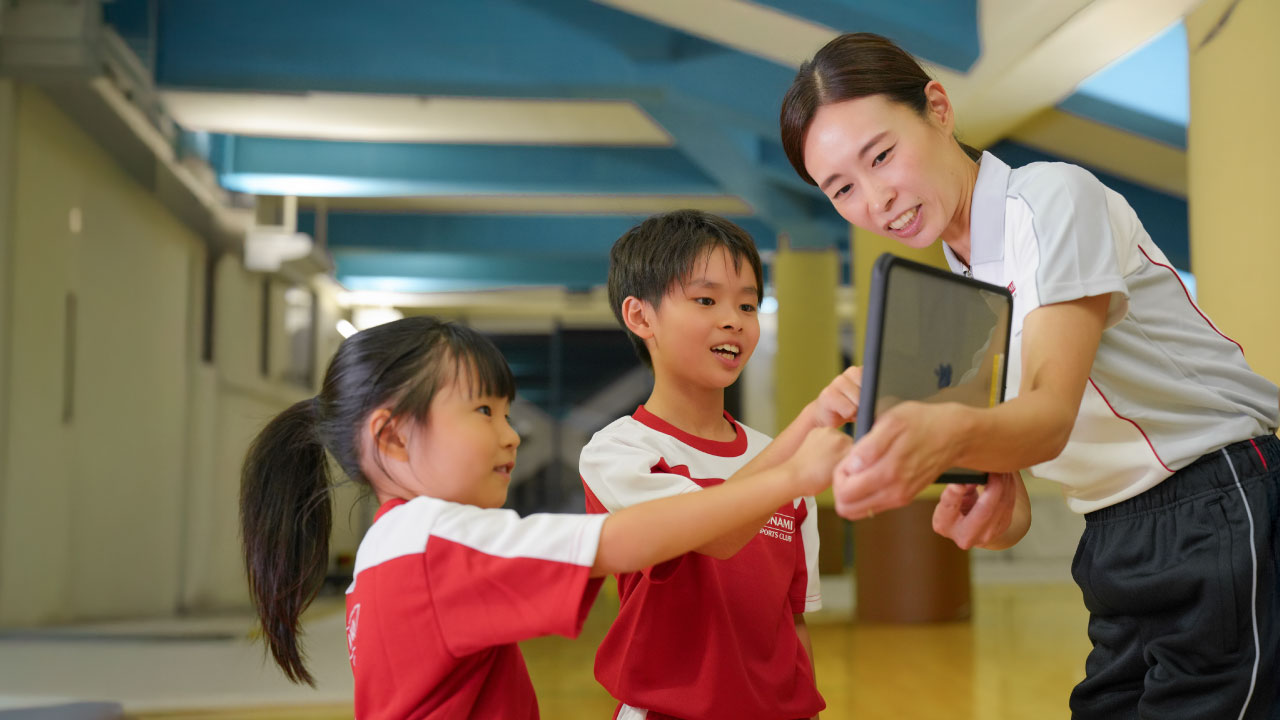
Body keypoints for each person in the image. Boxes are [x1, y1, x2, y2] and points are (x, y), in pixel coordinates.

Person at [779, 31, 1280, 719]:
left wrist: (951, 434)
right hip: (1112, 532)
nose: (876, 199)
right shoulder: (965, 283)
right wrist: (989, 498)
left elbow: (1048, 418)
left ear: (938, 108)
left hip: (1216, 497)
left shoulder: (1049, 200)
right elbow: (1015, 491)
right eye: (842, 189)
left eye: (882, 155)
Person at [239, 316, 851, 720]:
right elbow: (626, 539)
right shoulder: (434, 540)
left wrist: (806, 428)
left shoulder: (388, 550)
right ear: (394, 438)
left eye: (509, 414)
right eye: (484, 411)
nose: (511, 438)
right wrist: (791, 477)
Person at [580, 210, 862, 720]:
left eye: (748, 304)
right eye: (705, 299)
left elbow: (791, 622)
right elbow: (715, 530)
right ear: (641, 317)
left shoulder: (782, 462)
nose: (733, 319)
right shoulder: (619, 453)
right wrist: (810, 428)